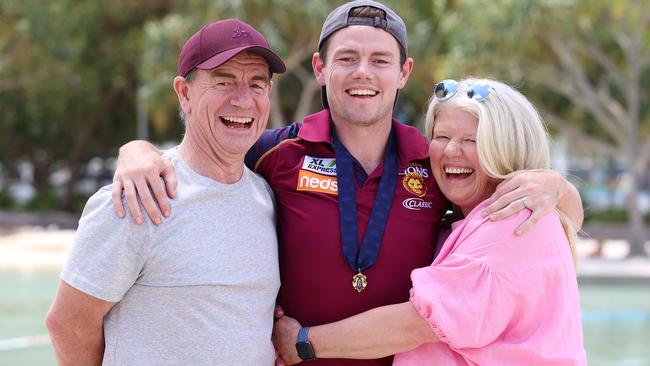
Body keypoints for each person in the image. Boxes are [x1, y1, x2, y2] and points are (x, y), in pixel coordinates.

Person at [111, 1, 584, 365]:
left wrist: (559, 188)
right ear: (320, 68)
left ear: (403, 73)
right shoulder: (277, 153)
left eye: (380, 60)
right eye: (347, 58)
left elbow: (540, 231)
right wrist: (137, 151)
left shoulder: (436, 160)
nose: (363, 73)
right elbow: (201, 155)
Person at [272, 78, 587, 365]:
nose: (452, 151)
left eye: (471, 140)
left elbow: (415, 325)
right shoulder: (472, 218)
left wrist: (303, 342)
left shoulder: (510, 222)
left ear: (506, 146)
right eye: (442, 136)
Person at [45, 18, 286, 365]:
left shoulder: (267, 197)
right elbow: (67, 324)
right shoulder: (138, 196)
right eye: (224, 81)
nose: (243, 100)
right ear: (184, 93)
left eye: (257, 85)